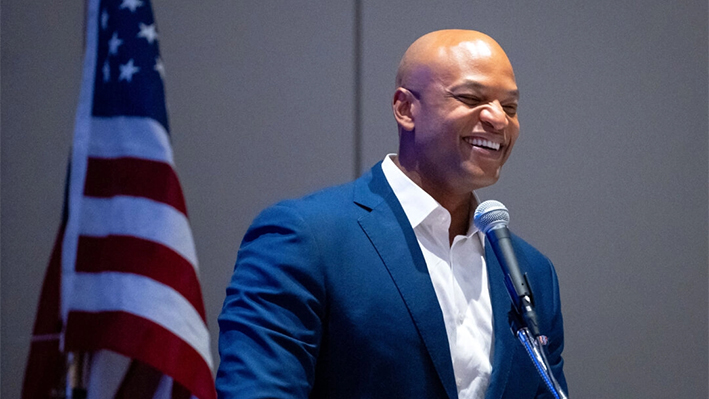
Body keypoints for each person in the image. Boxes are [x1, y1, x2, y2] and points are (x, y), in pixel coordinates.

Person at [216, 29, 567, 399]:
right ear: (405, 109)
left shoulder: (532, 273)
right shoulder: (305, 239)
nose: (499, 119)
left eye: (510, 107)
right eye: (470, 97)